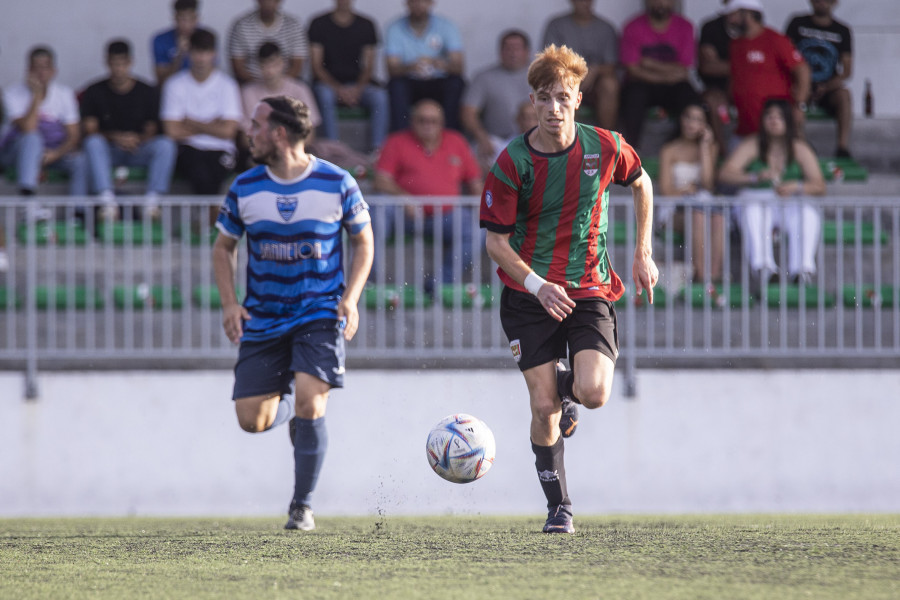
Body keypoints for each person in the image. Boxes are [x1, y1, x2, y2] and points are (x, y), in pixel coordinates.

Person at [479, 45, 658, 534]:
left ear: (579, 99)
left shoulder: (605, 146)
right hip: (528, 294)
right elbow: (495, 244)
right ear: (531, 102)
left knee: (595, 394)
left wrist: (643, 251)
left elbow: (642, 184)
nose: (554, 107)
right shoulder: (512, 162)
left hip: (589, 288)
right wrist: (537, 286)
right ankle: (560, 508)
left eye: (563, 97)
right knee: (543, 407)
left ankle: (569, 389)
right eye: (544, 98)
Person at [213, 95, 373, 531]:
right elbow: (223, 247)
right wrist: (230, 303)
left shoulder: (336, 182)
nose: (250, 131)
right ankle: (290, 410)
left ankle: (301, 506)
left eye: (256, 124)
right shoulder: (245, 187)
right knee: (252, 420)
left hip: (319, 311)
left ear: (278, 133)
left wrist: (351, 297)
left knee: (312, 402)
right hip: (262, 317)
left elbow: (363, 240)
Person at [374, 99, 482, 288]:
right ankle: (372, 282)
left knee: (480, 228)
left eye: (433, 121)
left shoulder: (456, 141)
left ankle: (439, 283)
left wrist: (484, 207)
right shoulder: (396, 141)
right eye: (422, 120)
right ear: (413, 122)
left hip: (446, 215)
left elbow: (475, 182)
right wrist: (404, 198)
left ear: (441, 123)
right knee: (376, 213)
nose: (427, 125)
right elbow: (380, 179)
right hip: (405, 214)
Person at [718, 98, 826, 287]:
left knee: (808, 213)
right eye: (769, 116)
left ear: (789, 121)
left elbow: (819, 186)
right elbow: (725, 173)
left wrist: (796, 186)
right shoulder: (752, 144)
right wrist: (753, 177)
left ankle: (802, 270)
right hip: (755, 200)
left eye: (779, 117)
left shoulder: (799, 148)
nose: (774, 121)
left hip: (789, 202)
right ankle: (764, 268)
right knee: (753, 211)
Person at [81, 39, 177, 220]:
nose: (118, 69)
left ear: (130, 62)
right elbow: (90, 129)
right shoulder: (94, 91)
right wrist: (116, 138)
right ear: (107, 62)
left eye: (122, 64)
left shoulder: (146, 91)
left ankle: (152, 203)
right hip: (109, 151)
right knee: (92, 143)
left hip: (138, 149)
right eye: (114, 64)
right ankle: (107, 202)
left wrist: (135, 139)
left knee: (166, 145)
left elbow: (152, 128)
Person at [0, 46, 88, 202]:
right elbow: (29, 128)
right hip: (16, 152)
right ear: (28, 70)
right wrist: (36, 96)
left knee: (80, 161)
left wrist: (56, 154)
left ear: (54, 71)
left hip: (53, 154)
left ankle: (78, 214)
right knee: (32, 139)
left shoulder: (64, 94)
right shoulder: (12, 94)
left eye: (45, 68)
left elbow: (74, 135)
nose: (41, 73)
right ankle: (28, 198)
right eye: (36, 68)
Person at [161, 29, 242, 197]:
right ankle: (211, 218)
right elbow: (172, 131)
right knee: (198, 168)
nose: (201, 58)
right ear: (189, 53)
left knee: (214, 171)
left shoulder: (227, 85)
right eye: (197, 52)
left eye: (205, 52)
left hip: (221, 149)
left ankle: (206, 218)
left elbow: (229, 131)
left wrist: (190, 122)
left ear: (214, 54)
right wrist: (213, 125)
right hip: (188, 149)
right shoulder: (174, 85)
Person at [307, 0, 389, 152]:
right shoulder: (318, 23)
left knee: (380, 97)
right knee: (324, 94)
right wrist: (339, 89)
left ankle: (378, 151)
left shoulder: (366, 24)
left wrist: (357, 89)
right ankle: (334, 150)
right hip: (329, 85)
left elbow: (369, 66)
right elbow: (316, 67)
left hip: (359, 86)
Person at [619, 0, 700, 150]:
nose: (661, 3)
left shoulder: (685, 27)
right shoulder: (632, 26)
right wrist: (667, 75)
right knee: (633, 96)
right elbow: (633, 69)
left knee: (691, 100)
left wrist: (649, 64)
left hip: (672, 85)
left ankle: (678, 147)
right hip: (642, 84)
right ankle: (630, 151)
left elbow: (683, 69)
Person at [658, 103, 724, 283]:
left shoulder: (710, 148)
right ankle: (701, 276)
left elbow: (708, 184)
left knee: (718, 218)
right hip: (674, 208)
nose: (691, 123)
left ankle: (715, 275)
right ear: (681, 120)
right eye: (688, 117)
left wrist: (704, 147)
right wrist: (686, 191)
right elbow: (665, 190)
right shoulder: (669, 150)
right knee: (698, 215)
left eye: (698, 120)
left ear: (705, 124)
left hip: (702, 204)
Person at [728, 0, 810, 139]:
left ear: (747, 14)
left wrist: (799, 106)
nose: (729, 19)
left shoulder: (775, 39)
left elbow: (802, 70)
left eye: (733, 14)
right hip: (745, 127)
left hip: (776, 126)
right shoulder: (735, 44)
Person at [383, 0, 465, 132]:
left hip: (438, 81)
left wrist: (439, 64)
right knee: (395, 85)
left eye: (423, 2)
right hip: (410, 82)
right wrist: (410, 67)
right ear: (407, 3)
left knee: (456, 83)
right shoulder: (395, 28)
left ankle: (451, 136)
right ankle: (401, 139)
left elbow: (459, 67)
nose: (419, 5)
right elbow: (391, 69)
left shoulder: (446, 26)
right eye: (414, 2)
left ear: (431, 3)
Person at [785, 0, 853, 157]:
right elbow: (785, 57)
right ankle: (801, 147)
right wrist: (801, 85)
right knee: (791, 96)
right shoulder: (797, 23)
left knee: (844, 94)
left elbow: (847, 71)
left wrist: (827, 87)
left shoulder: (842, 30)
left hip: (827, 87)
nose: (822, 2)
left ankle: (842, 148)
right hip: (800, 85)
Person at [460, 30, 533, 173]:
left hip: (535, 140)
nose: (512, 53)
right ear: (500, 51)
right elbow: (468, 112)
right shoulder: (483, 77)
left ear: (527, 51)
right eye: (507, 48)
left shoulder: (543, 76)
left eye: (517, 48)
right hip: (495, 142)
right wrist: (481, 137)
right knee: (474, 157)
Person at [541, 0, 620, 130]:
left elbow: (612, 65)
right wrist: (577, 75)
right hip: (565, 79)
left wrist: (594, 71)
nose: (584, 3)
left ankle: (608, 137)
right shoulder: (556, 25)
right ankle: (566, 138)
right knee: (561, 83)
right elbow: (549, 61)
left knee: (610, 84)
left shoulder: (605, 27)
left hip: (596, 84)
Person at [227, 0, 308, 85]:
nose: (268, 4)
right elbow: (238, 67)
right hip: (251, 86)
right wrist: (261, 88)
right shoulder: (241, 26)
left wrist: (278, 86)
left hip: (287, 85)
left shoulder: (293, 26)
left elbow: (298, 65)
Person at [697, 0, 742, 152]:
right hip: (716, 88)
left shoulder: (753, 26)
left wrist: (722, 64)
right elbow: (708, 67)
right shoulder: (711, 27)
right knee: (715, 103)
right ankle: (721, 152)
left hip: (746, 86)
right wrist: (744, 64)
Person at [151, 0, 214, 86]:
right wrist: (180, 55)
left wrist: (194, 52)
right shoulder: (160, 40)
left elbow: (212, 74)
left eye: (191, 19)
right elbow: (162, 81)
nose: (187, 25)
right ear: (175, 18)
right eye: (182, 19)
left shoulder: (207, 37)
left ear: (197, 18)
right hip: (173, 89)